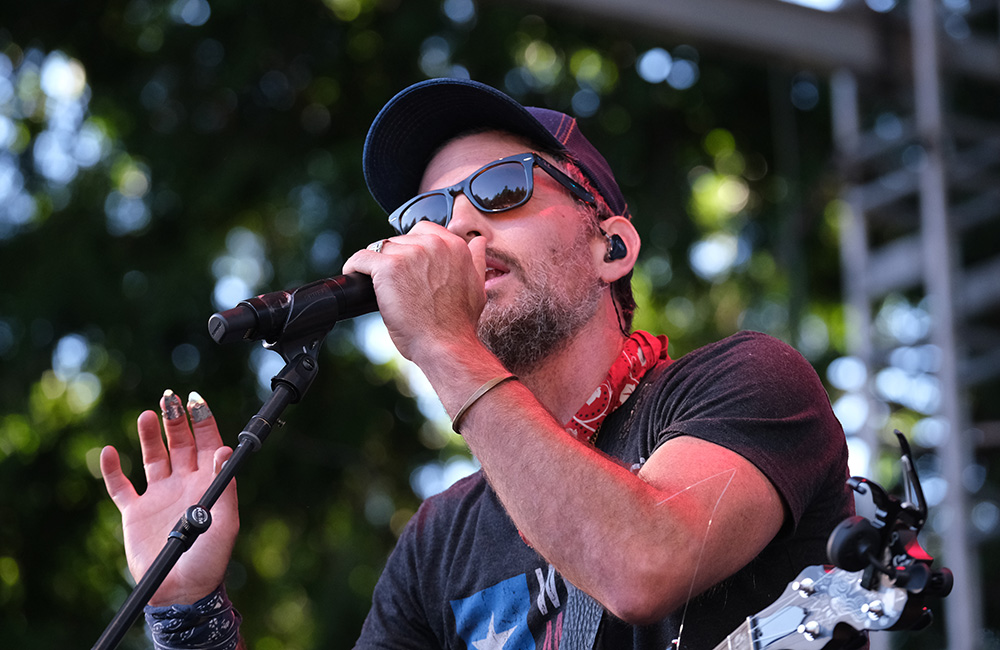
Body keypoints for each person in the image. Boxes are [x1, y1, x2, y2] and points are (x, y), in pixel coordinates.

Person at [100, 78, 855, 650]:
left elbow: (643, 565)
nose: (456, 224)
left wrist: (441, 342)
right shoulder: (442, 539)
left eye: (501, 188)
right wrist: (185, 607)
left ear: (611, 247)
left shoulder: (747, 383)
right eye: (425, 216)